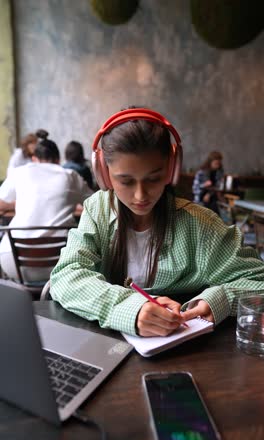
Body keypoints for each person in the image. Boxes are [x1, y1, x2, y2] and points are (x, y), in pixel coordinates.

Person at [50, 108, 264, 337]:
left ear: (172, 168)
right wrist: (130, 309)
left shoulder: (201, 225)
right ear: (104, 172)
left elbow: (258, 282)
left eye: (153, 179)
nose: (141, 195)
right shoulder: (97, 210)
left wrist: (219, 300)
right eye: (126, 181)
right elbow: (65, 276)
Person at [0, 132, 92, 282]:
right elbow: (94, 204)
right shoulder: (70, 175)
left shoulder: (20, 172)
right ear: (58, 159)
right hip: (60, 263)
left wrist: (16, 203)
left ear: (35, 159)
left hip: (14, 261)